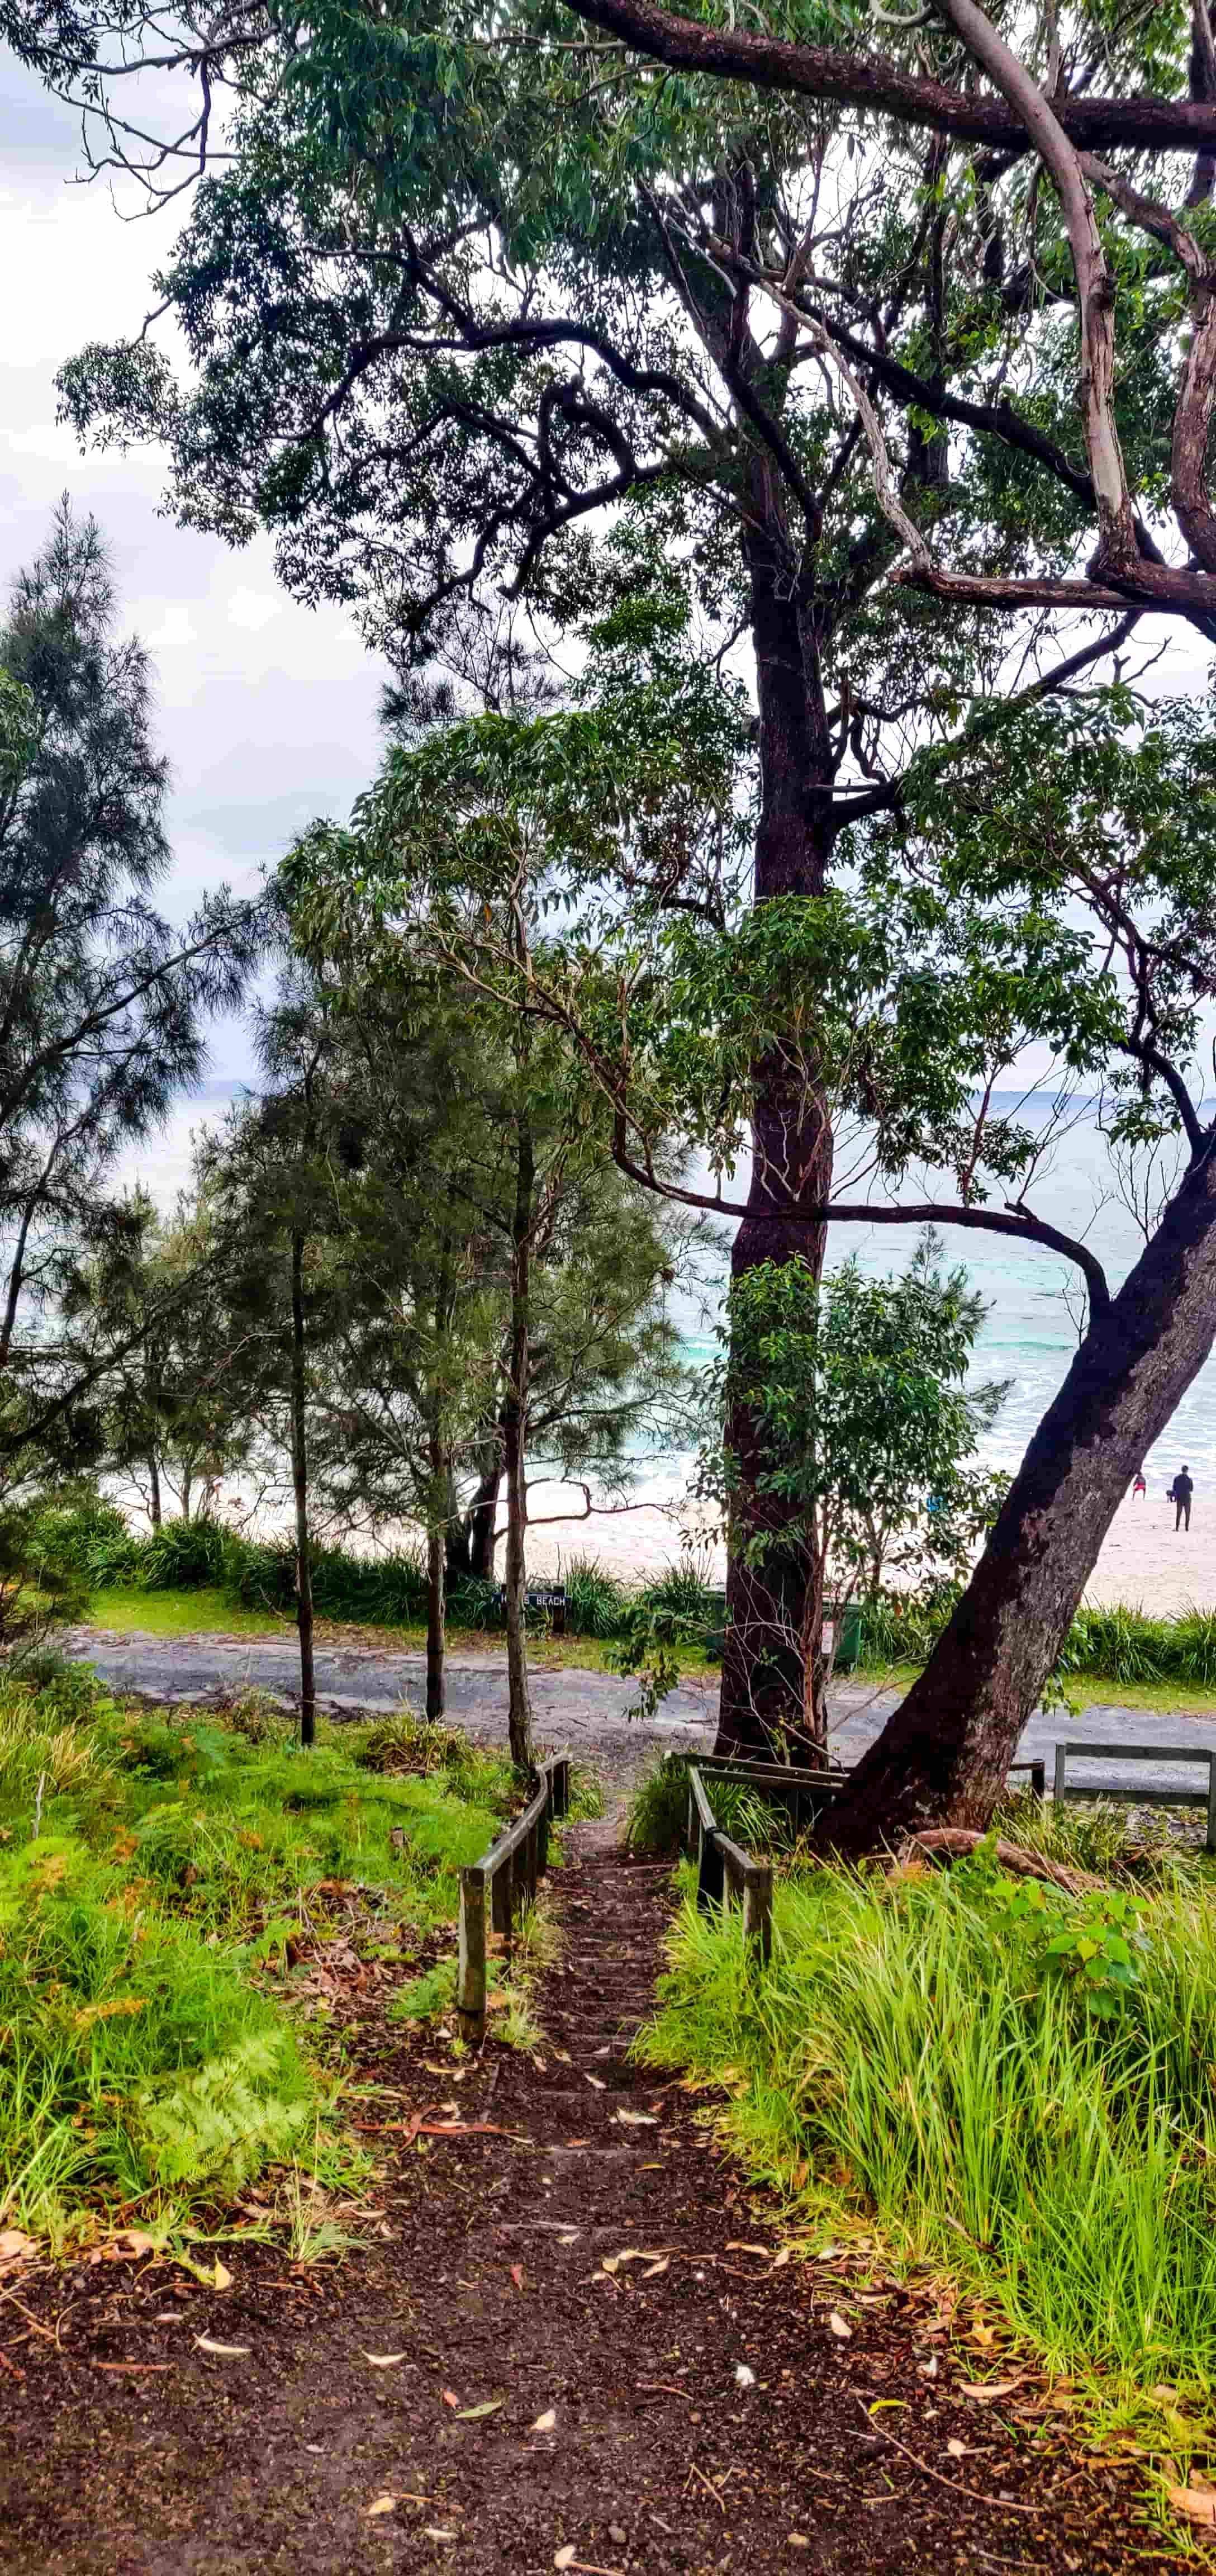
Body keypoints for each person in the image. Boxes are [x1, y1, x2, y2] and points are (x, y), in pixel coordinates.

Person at [1170, 1465, 1194, 1531]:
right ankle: (1187, 1528)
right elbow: (1191, 1489)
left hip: (1180, 1497)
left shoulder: (1177, 1478)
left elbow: (1174, 1488)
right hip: (1187, 1498)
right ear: (1187, 1471)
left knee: (1179, 1513)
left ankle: (1177, 1528)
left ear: (1182, 1470)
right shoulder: (1189, 1479)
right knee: (1187, 1513)